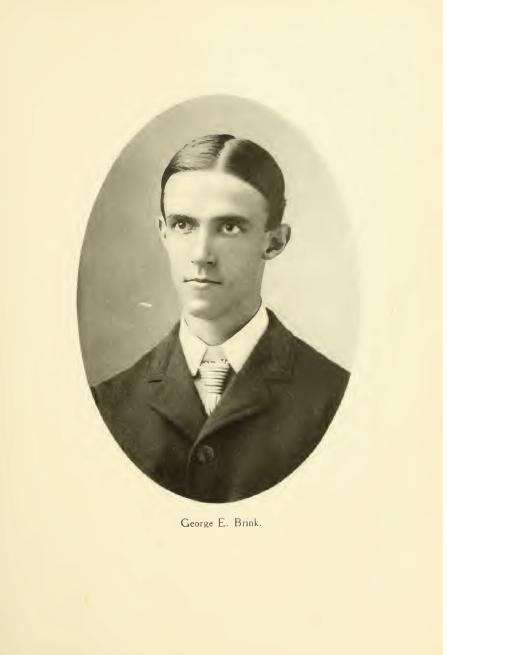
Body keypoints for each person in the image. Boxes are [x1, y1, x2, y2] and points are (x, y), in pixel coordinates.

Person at [92, 134, 350, 502]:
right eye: (184, 225)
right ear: (163, 233)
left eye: (229, 227)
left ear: (274, 242)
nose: (201, 254)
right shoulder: (109, 406)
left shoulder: (334, 400)